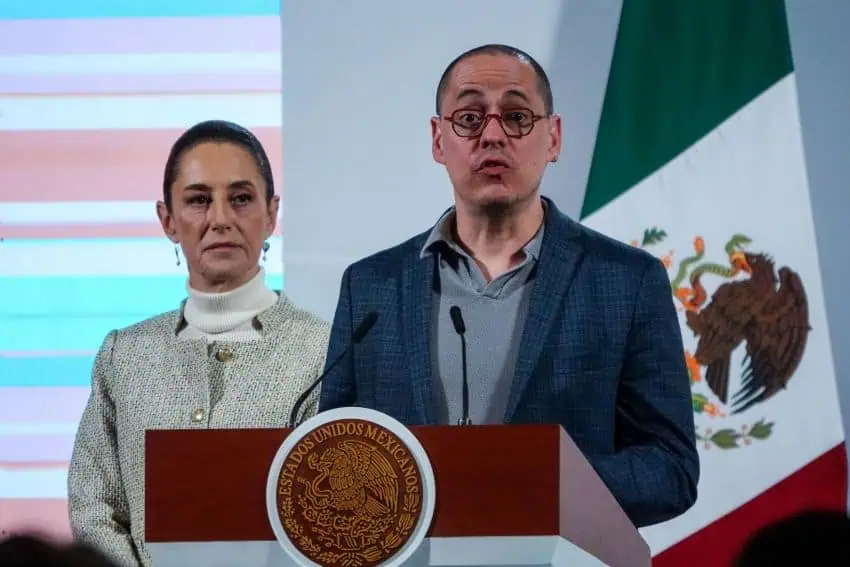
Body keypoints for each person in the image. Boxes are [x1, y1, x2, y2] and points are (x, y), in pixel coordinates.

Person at [318, 44, 698, 527]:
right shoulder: (371, 287)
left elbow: (671, 469)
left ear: (553, 138)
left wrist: (538, 485)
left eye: (517, 117)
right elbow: (329, 453)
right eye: (470, 118)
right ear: (438, 140)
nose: (493, 135)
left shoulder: (627, 281)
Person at [67, 120, 330, 566]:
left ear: (271, 214)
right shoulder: (124, 356)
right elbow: (94, 510)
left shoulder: (324, 351)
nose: (221, 219)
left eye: (241, 199)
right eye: (198, 200)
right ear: (167, 220)